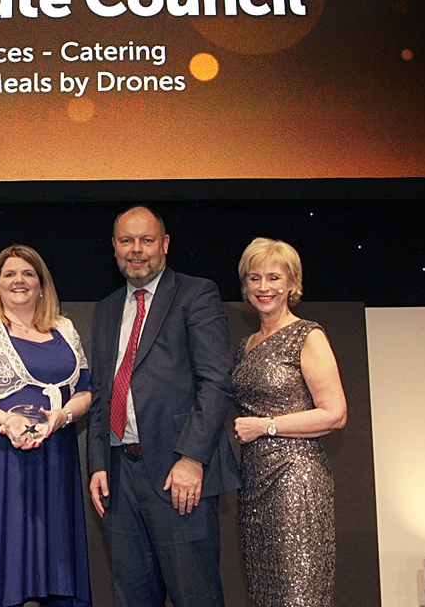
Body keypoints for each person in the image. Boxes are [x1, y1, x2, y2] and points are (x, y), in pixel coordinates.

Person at [87, 205, 240, 607]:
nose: (136, 250)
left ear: (165, 244)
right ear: (114, 248)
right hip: (119, 477)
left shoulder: (196, 293)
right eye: (126, 241)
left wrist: (192, 459)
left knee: (196, 595)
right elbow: (103, 391)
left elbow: (216, 382)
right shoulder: (106, 309)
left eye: (146, 240)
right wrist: (99, 462)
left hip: (178, 475)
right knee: (131, 596)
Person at [0, 244, 92, 607]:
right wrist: (7, 420)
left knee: (56, 567)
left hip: (55, 457)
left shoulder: (65, 328)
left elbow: (86, 392)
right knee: (2, 565)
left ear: (42, 285)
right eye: (9, 274)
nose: (19, 281)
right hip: (0, 460)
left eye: (28, 274)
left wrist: (63, 417)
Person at [232, 237, 347, 607]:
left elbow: (335, 413)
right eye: (254, 278)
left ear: (292, 284)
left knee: (299, 593)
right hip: (254, 482)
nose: (263, 287)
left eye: (273, 278)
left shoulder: (307, 335)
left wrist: (266, 425)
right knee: (267, 593)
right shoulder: (246, 343)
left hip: (296, 480)